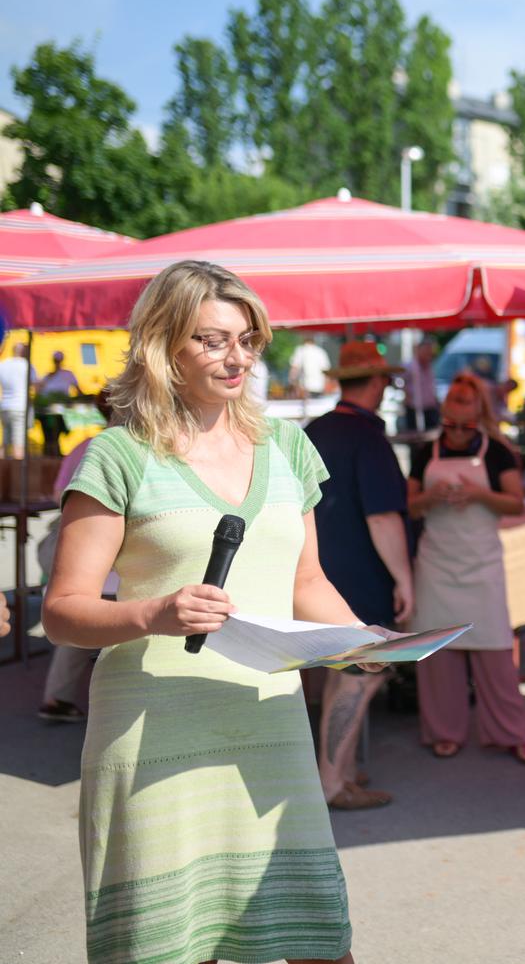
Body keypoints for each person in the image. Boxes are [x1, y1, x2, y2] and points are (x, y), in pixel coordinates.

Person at [42, 260, 376, 963]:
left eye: (248, 339)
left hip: (269, 724)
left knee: (316, 934)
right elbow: (63, 613)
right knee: (167, 946)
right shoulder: (119, 455)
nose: (239, 357)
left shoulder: (286, 446)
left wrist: (361, 640)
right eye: (213, 339)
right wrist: (151, 613)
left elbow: (306, 579)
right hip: (152, 731)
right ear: (165, 344)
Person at [305, 340, 416, 811]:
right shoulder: (366, 436)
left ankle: (340, 770)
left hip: (320, 570)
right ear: (376, 383)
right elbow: (383, 517)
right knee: (361, 675)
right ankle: (332, 782)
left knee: (343, 671)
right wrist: (405, 580)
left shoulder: (315, 429)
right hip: (360, 573)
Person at [407, 372, 525, 763]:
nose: (458, 424)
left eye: (466, 408)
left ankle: (510, 733)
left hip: (481, 563)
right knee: (438, 655)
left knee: (496, 652)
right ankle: (444, 730)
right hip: (436, 564)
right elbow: (410, 506)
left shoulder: (497, 452)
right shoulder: (424, 453)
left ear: (478, 412)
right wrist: (432, 497)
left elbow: (516, 502)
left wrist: (480, 494)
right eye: (452, 407)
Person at [35, 391, 116, 723]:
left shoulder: (86, 446)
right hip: (93, 552)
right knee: (91, 618)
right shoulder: (115, 448)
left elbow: (58, 494)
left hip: (65, 542)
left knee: (80, 622)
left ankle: (57, 697)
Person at [37, 350, 81, 456]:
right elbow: (39, 389)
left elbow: (78, 390)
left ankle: (54, 452)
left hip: (61, 408)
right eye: (55, 360)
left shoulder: (68, 374)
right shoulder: (48, 376)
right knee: (48, 433)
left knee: (56, 431)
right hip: (47, 409)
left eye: (58, 360)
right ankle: (50, 452)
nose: (57, 362)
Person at [0, 343, 40, 459]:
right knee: (19, 446)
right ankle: (17, 476)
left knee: (5, 444)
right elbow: (36, 387)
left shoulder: (3, 365)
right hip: (20, 408)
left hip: (5, 407)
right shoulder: (27, 365)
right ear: (23, 352)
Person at [402, 338, 440, 433]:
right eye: (427, 350)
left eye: (430, 351)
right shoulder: (410, 367)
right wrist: (407, 395)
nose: (429, 354)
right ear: (419, 350)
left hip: (430, 409)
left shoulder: (429, 366)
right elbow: (399, 382)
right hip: (415, 410)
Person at [288, 334, 332, 400]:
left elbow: (294, 369)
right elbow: (327, 373)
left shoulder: (301, 350)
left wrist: (292, 383)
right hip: (319, 387)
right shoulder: (321, 352)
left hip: (305, 388)